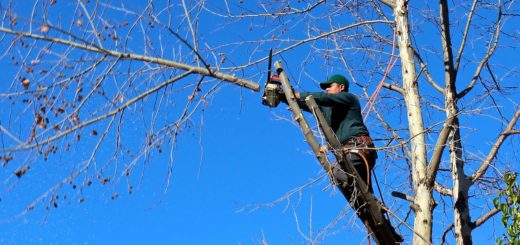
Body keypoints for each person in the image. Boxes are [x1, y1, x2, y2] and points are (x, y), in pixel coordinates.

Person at [291, 74, 378, 223]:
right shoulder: (327, 109)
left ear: (341, 87)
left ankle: (374, 209)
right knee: (360, 200)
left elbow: (322, 98)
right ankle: (377, 219)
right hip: (349, 152)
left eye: (329, 87)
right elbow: (307, 103)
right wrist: (286, 96)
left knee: (339, 174)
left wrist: (299, 94)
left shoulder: (349, 98)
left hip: (358, 148)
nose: (326, 90)